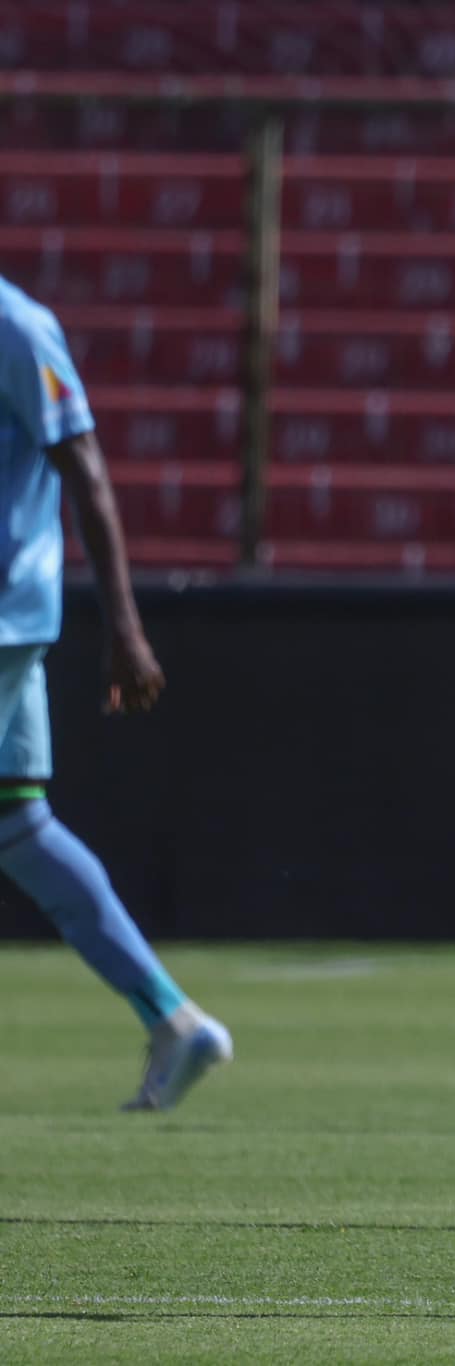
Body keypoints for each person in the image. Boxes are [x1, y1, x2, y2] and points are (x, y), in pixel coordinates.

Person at [0, 273, 232, 1111]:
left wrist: (124, 626)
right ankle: (173, 1018)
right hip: (15, 621)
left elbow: (84, 465)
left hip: (4, 614)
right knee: (19, 827)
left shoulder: (16, 326)